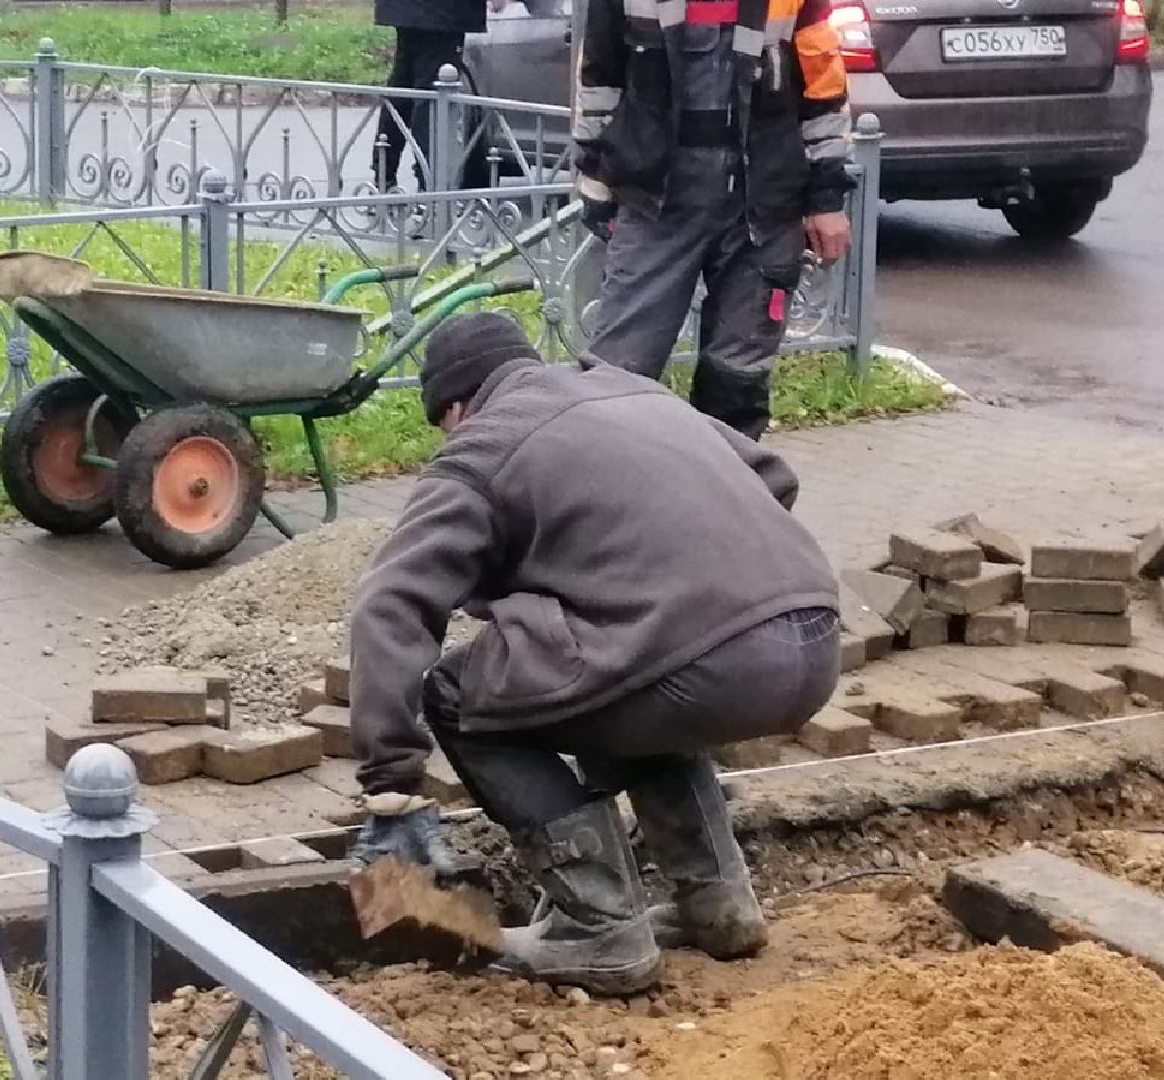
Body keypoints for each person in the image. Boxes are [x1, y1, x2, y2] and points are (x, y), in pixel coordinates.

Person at [346, 313, 841, 994]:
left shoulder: (482, 447)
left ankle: (597, 927)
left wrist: (391, 785)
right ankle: (718, 904)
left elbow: (390, 604)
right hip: (813, 641)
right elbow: (772, 477)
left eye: (443, 425)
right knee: (614, 671)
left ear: (456, 406)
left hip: (703, 668)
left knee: (457, 693)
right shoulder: (636, 393)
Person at [570, 0, 855, 439]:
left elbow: (822, 86)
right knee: (618, 380)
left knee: (736, 384)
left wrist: (827, 197)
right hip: (656, 198)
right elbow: (600, 73)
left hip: (763, 203)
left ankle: (726, 498)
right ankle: (611, 501)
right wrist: (596, 179)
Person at [373, 0, 511, 192]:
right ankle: (428, 184)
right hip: (443, 11)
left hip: (410, 9)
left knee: (404, 85)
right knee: (432, 95)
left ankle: (384, 175)